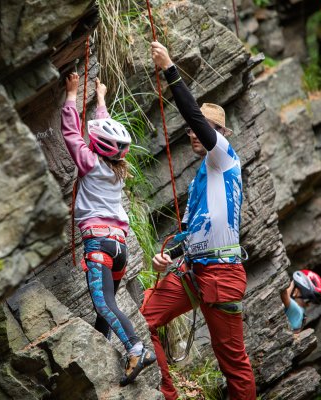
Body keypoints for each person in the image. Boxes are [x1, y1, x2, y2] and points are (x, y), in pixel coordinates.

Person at [140, 41, 256, 400]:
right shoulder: (202, 177)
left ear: (219, 134)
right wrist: (168, 256)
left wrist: (170, 68)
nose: (193, 132)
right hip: (194, 271)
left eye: (202, 129)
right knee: (143, 315)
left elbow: (193, 116)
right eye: (193, 129)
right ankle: (167, 394)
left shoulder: (224, 157)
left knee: (232, 363)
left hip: (221, 275)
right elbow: (190, 232)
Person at [61, 72, 156, 386]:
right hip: (119, 248)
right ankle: (98, 349)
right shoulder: (118, 166)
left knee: (104, 303)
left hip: (99, 243)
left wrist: (72, 94)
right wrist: (100, 99)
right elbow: (106, 131)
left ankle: (136, 348)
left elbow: (72, 134)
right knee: (106, 307)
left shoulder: (88, 162)